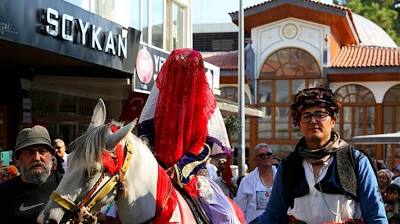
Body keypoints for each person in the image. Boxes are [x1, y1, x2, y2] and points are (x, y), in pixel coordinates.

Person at [252, 87, 387, 223]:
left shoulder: (356, 161)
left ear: (333, 120)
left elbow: (376, 216)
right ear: (299, 123)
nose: (313, 120)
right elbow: (273, 216)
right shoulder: (289, 165)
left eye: (320, 114)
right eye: (306, 116)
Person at [0, 125, 61, 224]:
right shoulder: (3, 193)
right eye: (30, 152)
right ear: (18, 159)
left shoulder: (63, 184)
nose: (37, 158)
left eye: (42, 151)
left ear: (51, 156)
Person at [234, 143, 277, 223]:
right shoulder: (247, 181)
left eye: (268, 154)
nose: (266, 157)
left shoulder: (281, 178)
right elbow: (239, 210)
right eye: (262, 155)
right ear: (255, 160)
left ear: (272, 157)